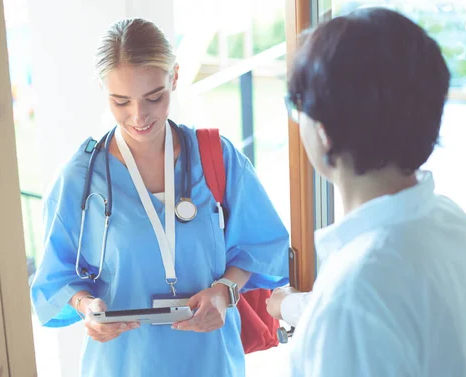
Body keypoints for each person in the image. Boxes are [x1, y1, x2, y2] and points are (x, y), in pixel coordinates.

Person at [30, 18, 289, 377]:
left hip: (211, 362)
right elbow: (53, 279)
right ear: (103, 89)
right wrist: (86, 306)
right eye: (121, 101)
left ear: (175, 78)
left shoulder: (217, 158)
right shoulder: (81, 178)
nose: (138, 116)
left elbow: (264, 248)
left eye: (154, 97)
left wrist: (225, 291)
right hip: (122, 365)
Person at [280, 7, 466, 377]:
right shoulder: (450, 221)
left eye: (298, 106)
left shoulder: (355, 294)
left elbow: (365, 306)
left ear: (324, 132)